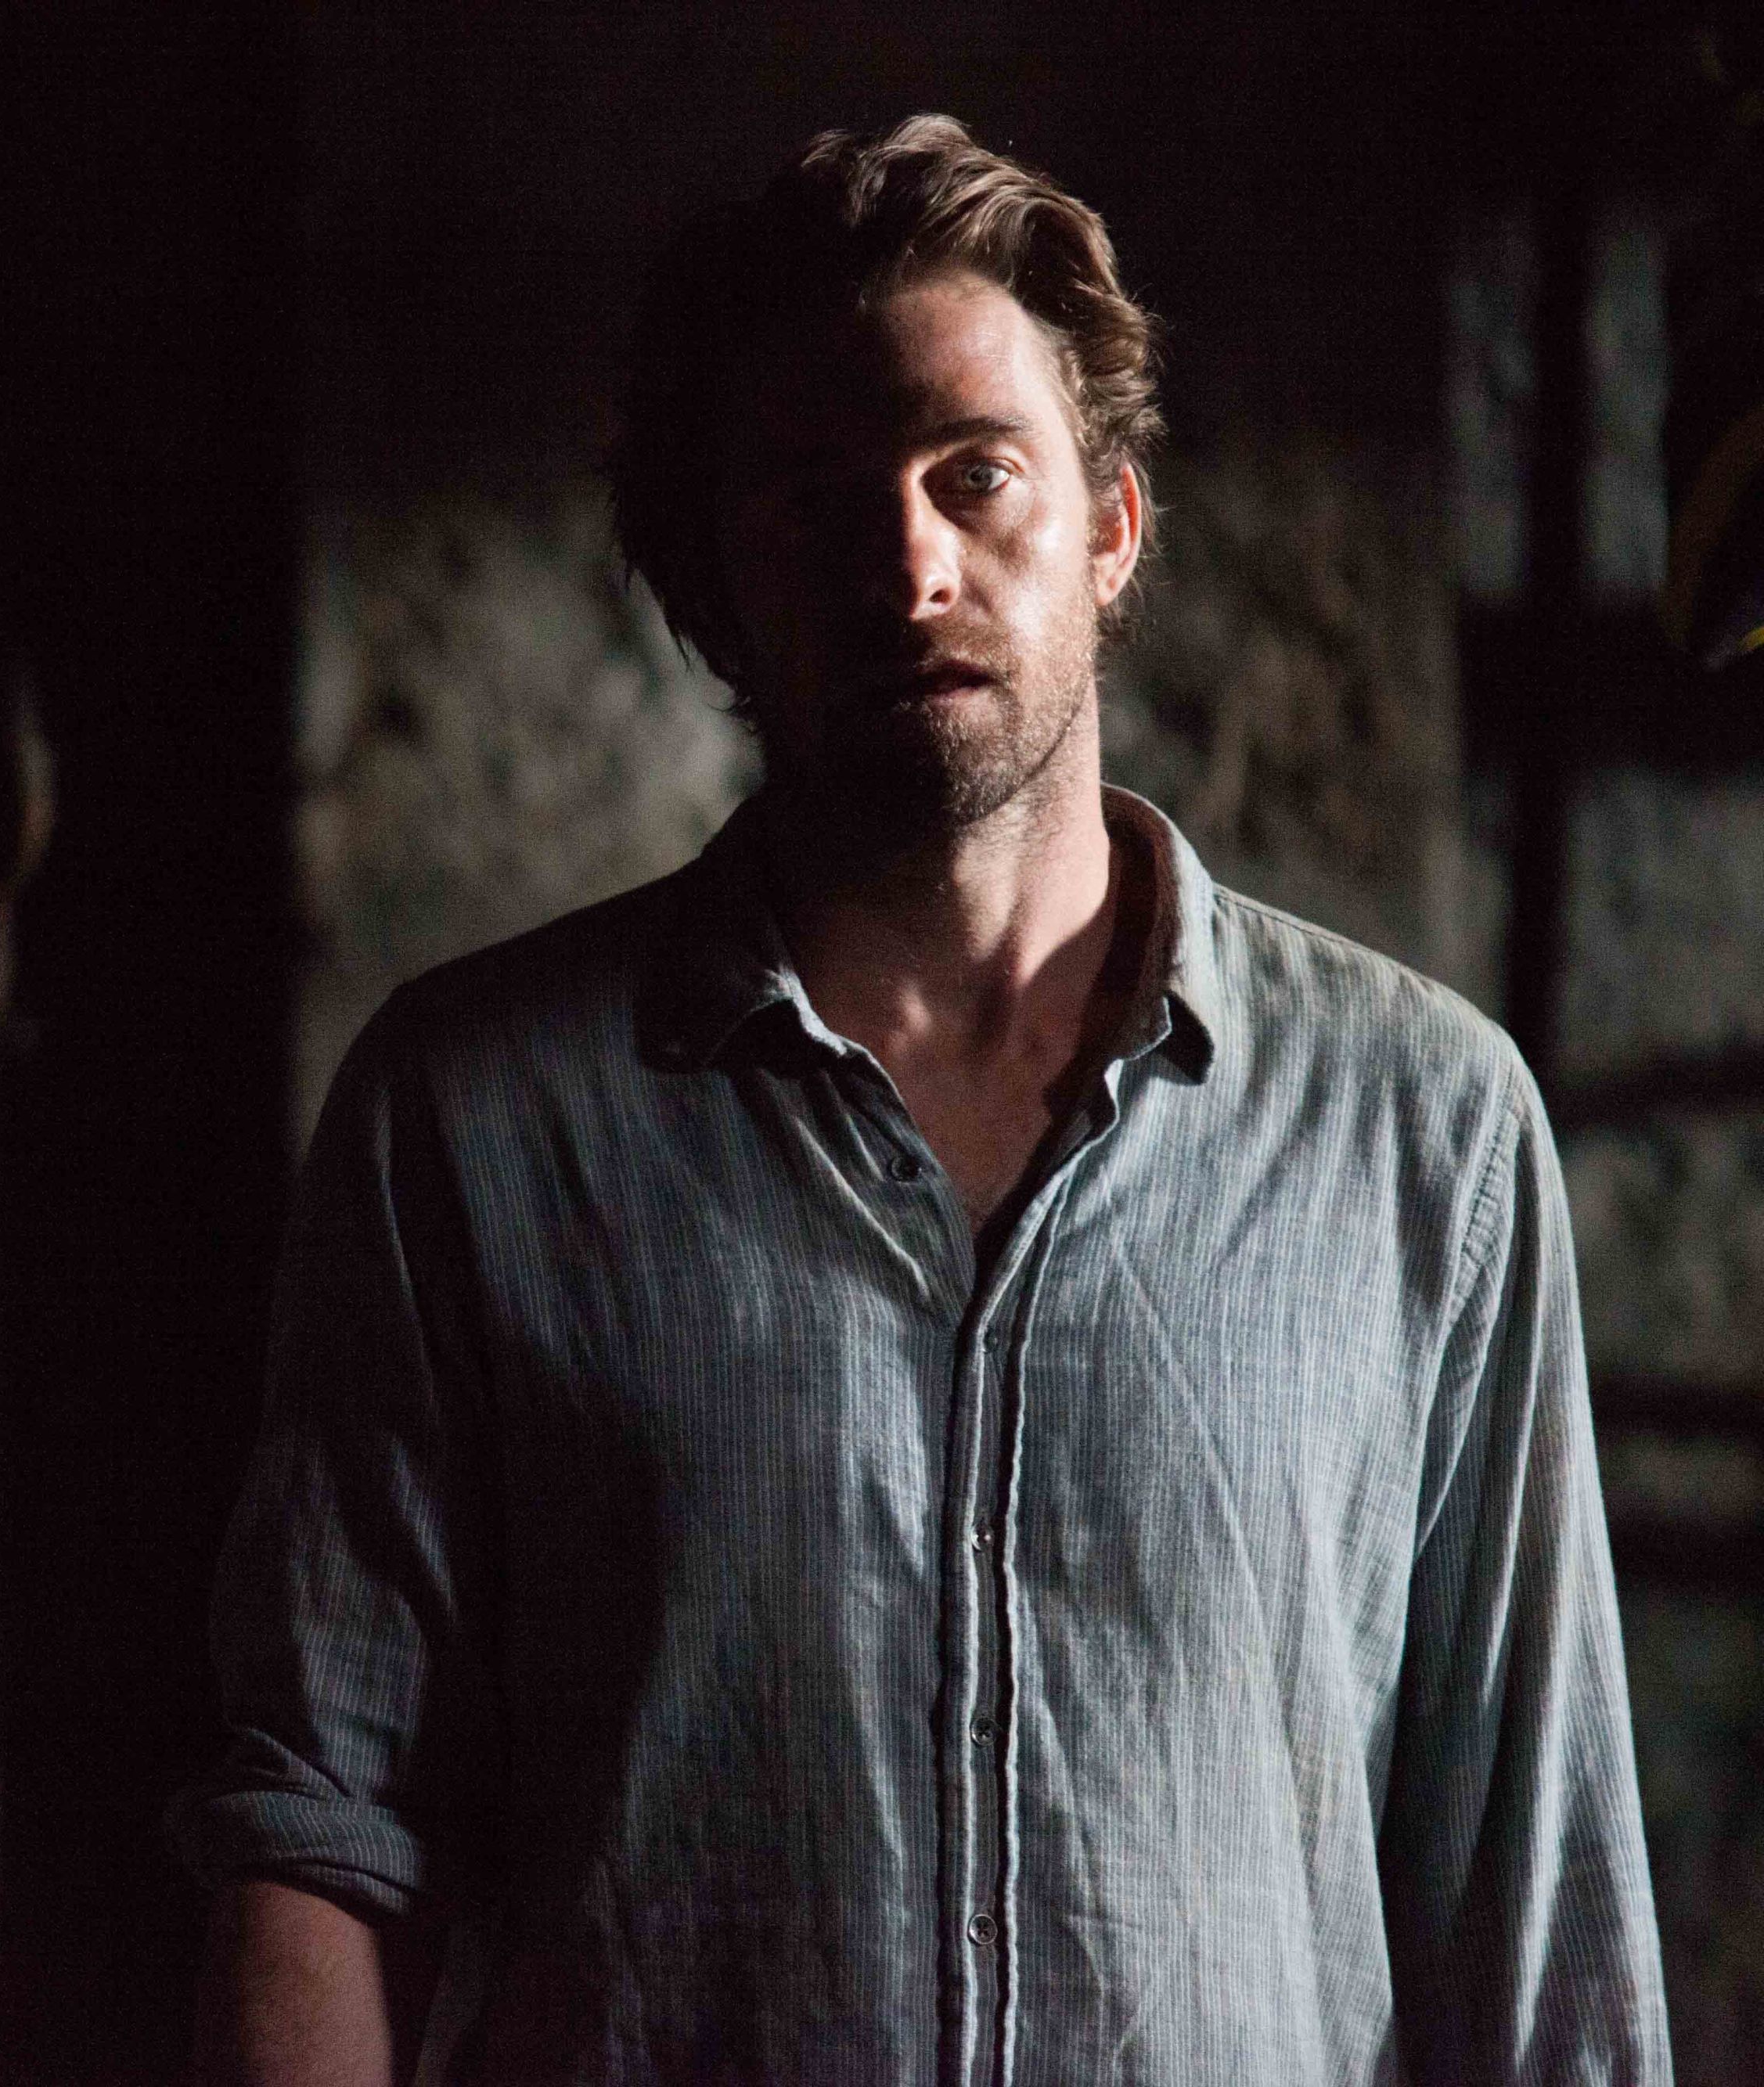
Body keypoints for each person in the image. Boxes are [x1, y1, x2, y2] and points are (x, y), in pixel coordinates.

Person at [175, 116, 1670, 2085]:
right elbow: (317, 1817)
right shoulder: (469, 1122)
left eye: (975, 473)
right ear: (713, 590)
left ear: (1110, 523)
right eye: (812, 502)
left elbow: (1536, 1914)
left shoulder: (1423, 1129)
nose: (907, 562)